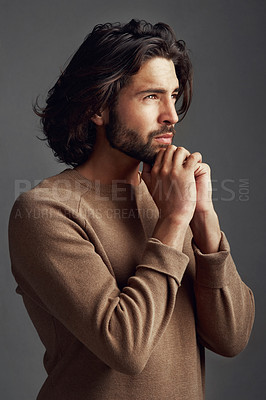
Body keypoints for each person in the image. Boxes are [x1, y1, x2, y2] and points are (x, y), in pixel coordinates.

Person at [8, 19, 255, 400]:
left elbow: (232, 337)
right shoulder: (45, 211)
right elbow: (125, 347)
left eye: (174, 96)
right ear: (98, 108)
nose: (172, 115)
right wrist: (174, 221)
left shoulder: (173, 197)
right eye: (152, 97)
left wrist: (204, 218)